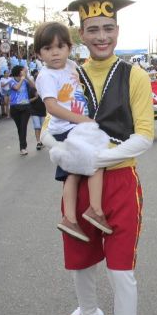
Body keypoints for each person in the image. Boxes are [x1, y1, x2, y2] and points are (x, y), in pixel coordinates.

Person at [49, 0, 156, 315]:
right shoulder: (66, 75)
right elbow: (51, 125)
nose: (101, 36)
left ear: (117, 31)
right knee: (79, 257)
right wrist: (59, 149)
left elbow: (144, 137)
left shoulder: (134, 76)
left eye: (108, 29)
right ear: (81, 34)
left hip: (119, 182)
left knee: (120, 268)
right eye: (93, 29)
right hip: (76, 180)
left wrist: (97, 158)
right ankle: (89, 314)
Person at [34, 21, 112, 240]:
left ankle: (72, 218)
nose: (55, 53)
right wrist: (83, 120)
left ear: (69, 48)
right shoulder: (46, 76)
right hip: (68, 129)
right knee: (95, 163)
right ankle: (93, 211)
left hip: (76, 127)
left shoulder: (71, 66)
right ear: (39, 53)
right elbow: (51, 107)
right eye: (47, 49)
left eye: (60, 47)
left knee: (75, 173)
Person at [8, 65, 34, 156]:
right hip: (15, 107)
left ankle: (23, 147)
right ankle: (22, 146)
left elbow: (33, 86)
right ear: (19, 72)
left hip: (25, 107)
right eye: (23, 70)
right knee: (20, 128)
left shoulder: (25, 80)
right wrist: (22, 79)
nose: (25, 71)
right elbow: (16, 88)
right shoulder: (11, 81)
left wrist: (26, 77)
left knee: (23, 127)